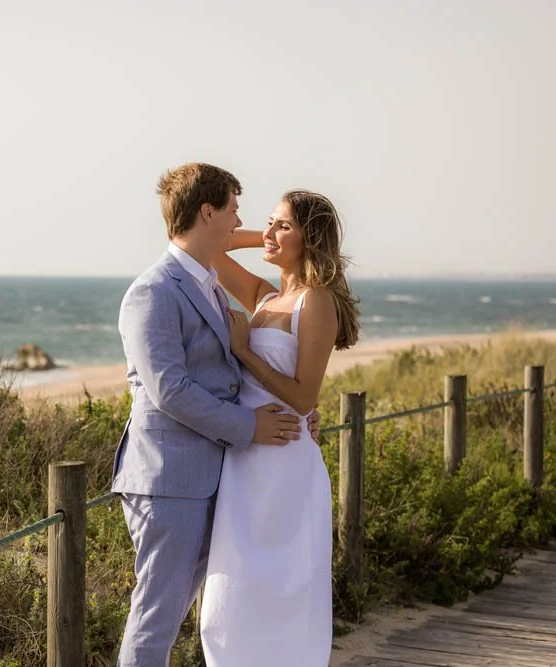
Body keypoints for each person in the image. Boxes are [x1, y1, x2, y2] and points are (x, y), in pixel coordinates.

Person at [112, 164, 322, 667]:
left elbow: (228, 375)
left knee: (205, 615)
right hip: (169, 479)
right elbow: (171, 390)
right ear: (209, 212)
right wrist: (253, 426)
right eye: (233, 209)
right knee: (156, 618)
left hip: (216, 477)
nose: (245, 221)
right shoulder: (153, 291)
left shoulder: (205, 282)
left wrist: (292, 411)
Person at [199, 190, 360, 666]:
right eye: (268, 223)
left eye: (282, 226)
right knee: (228, 600)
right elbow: (213, 246)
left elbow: (304, 397)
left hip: (285, 464)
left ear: (310, 237)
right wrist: (270, 237)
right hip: (245, 458)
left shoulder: (317, 302)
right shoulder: (265, 296)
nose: (269, 233)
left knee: (282, 594)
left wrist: (244, 350)